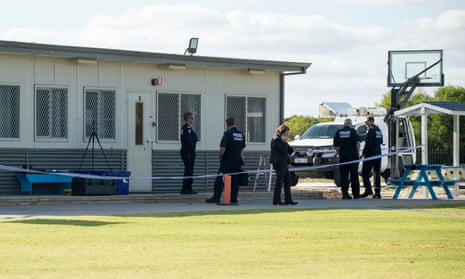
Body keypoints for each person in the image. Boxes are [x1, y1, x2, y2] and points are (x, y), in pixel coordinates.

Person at [205, 117, 246, 205]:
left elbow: (223, 148)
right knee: (235, 180)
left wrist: (220, 156)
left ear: (227, 124)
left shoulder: (228, 134)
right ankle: (233, 199)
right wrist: (240, 157)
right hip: (237, 161)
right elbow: (242, 148)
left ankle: (216, 197)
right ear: (234, 123)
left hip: (227, 161)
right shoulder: (241, 134)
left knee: (220, 179)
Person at [270, 124, 298, 205]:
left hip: (284, 163)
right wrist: (285, 142)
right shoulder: (276, 139)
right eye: (286, 133)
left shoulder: (283, 140)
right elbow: (283, 149)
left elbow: (290, 150)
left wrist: (289, 162)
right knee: (279, 181)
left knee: (287, 181)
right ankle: (276, 200)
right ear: (282, 132)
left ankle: (288, 200)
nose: (287, 135)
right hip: (278, 163)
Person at [333, 118, 361, 199]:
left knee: (344, 176)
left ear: (344, 124)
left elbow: (336, 146)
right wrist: (358, 152)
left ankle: (345, 194)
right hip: (353, 157)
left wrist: (339, 153)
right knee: (354, 176)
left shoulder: (339, 132)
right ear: (350, 124)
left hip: (343, 158)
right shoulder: (353, 131)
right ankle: (356, 194)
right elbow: (358, 142)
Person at [360, 116, 383, 199]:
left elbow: (368, 143)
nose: (365, 122)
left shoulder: (371, 130)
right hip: (378, 154)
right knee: (377, 173)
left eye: (366, 121)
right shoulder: (378, 130)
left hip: (370, 155)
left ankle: (368, 190)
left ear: (371, 121)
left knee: (364, 173)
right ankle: (377, 193)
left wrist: (363, 154)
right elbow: (381, 141)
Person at [179, 112, 198, 194]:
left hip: (187, 152)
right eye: (191, 118)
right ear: (188, 119)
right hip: (188, 153)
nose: (192, 120)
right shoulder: (187, 128)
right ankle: (186, 188)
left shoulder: (188, 128)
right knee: (189, 170)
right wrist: (192, 152)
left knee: (189, 170)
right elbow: (189, 142)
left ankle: (188, 188)